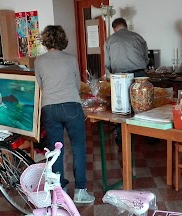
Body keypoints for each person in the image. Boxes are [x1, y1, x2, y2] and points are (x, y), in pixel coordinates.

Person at [35, 25, 95, 204]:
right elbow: (77, 84)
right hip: (71, 106)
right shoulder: (71, 59)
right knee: (78, 148)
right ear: (63, 39)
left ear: (45, 41)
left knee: (56, 151)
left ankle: (60, 191)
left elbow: (40, 84)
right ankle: (81, 191)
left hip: (49, 108)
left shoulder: (38, 61)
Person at [104, 17, 149, 146]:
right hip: (139, 74)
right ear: (125, 25)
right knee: (142, 105)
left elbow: (107, 63)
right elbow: (146, 58)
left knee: (122, 107)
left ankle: (121, 138)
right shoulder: (138, 37)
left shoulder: (110, 40)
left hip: (120, 75)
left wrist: (115, 71)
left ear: (114, 28)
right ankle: (147, 135)